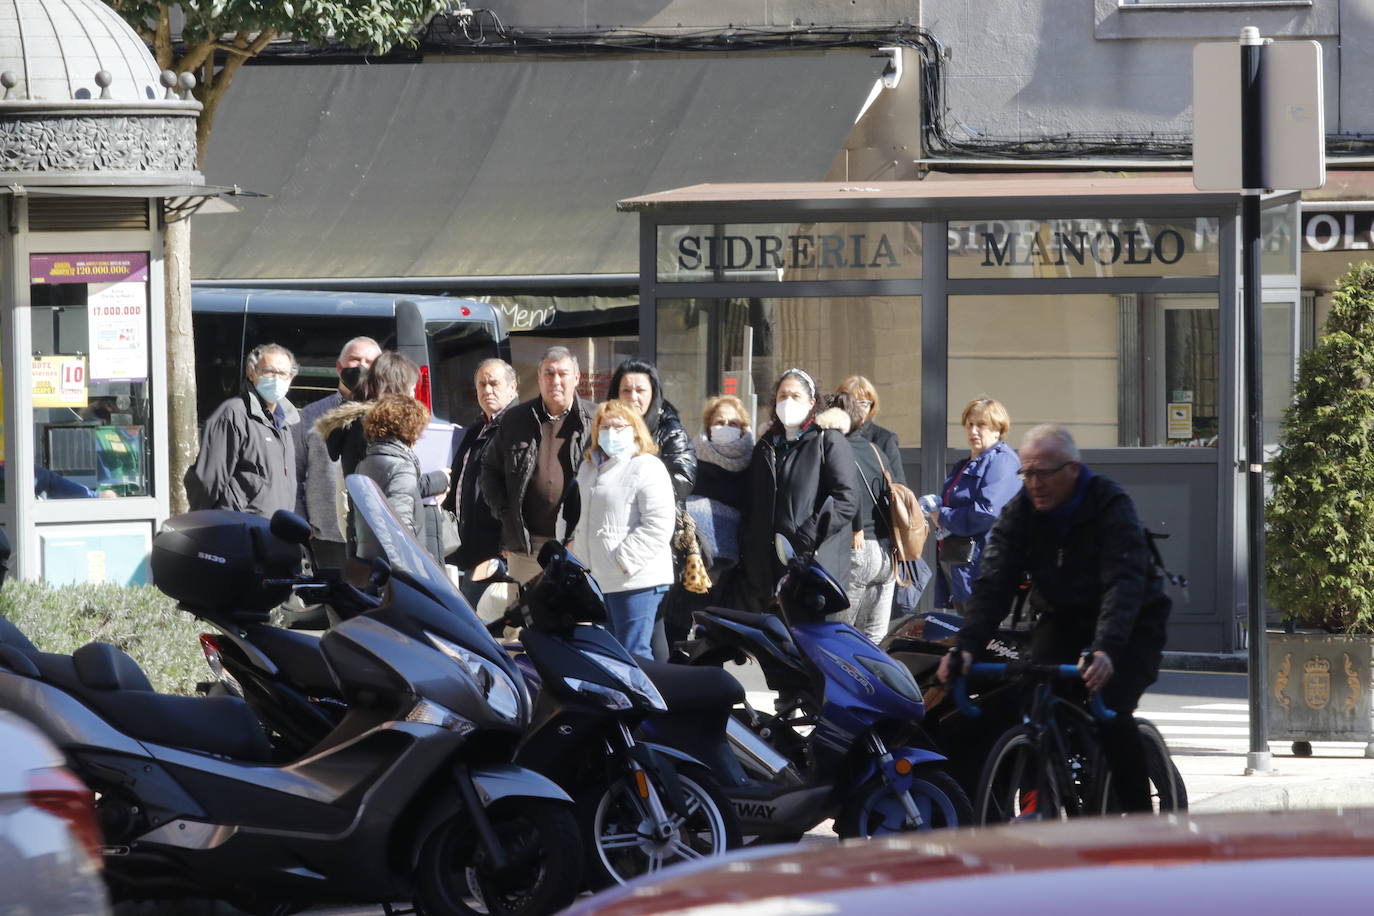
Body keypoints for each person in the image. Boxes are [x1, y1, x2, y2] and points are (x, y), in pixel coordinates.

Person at [936, 424, 1172, 813]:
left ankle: (1139, 819)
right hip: (1063, 614)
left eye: (1043, 472)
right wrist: (966, 647)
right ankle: (1045, 784)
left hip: (1132, 620)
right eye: (1026, 473)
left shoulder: (1109, 503)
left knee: (1111, 710)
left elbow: (1123, 583)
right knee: (1035, 693)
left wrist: (1106, 649)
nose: (1034, 483)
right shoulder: (1022, 512)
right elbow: (994, 582)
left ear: (1073, 470)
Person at [742, 368, 860, 615]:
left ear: (812, 403)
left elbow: (846, 499)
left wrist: (807, 535)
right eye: (782, 396)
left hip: (814, 570)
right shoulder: (765, 447)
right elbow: (751, 504)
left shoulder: (827, 441)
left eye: (795, 396)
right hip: (768, 573)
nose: (787, 402)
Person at [480, 346, 596, 585]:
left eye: (563, 374)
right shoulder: (515, 420)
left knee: (577, 618)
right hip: (527, 547)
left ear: (576, 378)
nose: (555, 381)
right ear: (539, 378)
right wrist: (505, 513)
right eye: (549, 374)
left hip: (580, 544)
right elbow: (490, 470)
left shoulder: (595, 421)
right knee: (525, 616)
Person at [571, 400, 674, 659]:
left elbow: (659, 524)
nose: (611, 431)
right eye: (604, 426)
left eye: (619, 425)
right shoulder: (588, 468)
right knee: (607, 653)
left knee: (633, 653)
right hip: (598, 577)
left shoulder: (646, 466)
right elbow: (575, 513)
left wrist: (622, 560)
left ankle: (646, 700)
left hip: (634, 578)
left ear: (635, 429)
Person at [294, 336, 380, 570]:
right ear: (339, 367)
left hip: (373, 532)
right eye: (354, 360)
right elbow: (294, 470)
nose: (361, 366)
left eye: (369, 361)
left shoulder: (387, 415)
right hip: (326, 533)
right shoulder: (311, 415)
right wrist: (301, 519)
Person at [675, 395, 754, 643]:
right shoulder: (693, 457)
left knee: (714, 638)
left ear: (743, 428)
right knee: (676, 627)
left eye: (733, 422)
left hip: (734, 567)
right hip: (693, 559)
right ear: (708, 425)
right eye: (719, 421)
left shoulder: (754, 462)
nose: (725, 427)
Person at [931, 397, 1022, 614]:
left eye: (981, 425)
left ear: (998, 430)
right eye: (969, 424)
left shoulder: (1002, 461)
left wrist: (942, 516)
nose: (973, 431)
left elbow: (986, 513)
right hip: (961, 565)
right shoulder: (966, 463)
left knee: (980, 637)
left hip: (984, 568)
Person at [187, 343, 299, 517]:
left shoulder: (286, 422)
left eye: (282, 373)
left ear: (290, 378)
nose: (276, 379)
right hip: (239, 529)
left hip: (275, 531)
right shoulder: (233, 414)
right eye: (269, 371)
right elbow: (208, 480)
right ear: (251, 373)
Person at [443, 358, 520, 607]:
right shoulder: (477, 427)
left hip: (494, 548)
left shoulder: (517, 426)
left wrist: (506, 542)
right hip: (464, 543)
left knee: (478, 619)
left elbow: (517, 489)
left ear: (513, 387)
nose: (487, 390)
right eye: (481, 384)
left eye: (494, 383)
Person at [828, 390, 896, 640]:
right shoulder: (876, 450)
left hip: (858, 549)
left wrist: (856, 526)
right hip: (888, 552)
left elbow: (849, 491)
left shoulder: (837, 450)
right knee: (875, 639)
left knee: (840, 635)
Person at [353, 394, 450, 563]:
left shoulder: (365, 462)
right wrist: (418, 563)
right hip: (398, 566)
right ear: (409, 428)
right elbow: (401, 525)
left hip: (370, 560)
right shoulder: (401, 467)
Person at [605, 359, 697, 502]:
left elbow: (682, 481)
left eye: (640, 390)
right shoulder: (604, 430)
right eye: (626, 390)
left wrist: (630, 495)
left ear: (653, 393)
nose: (633, 397)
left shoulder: (671, 433)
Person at [838, 375, 906, 486]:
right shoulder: (832, 436)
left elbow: (899, 484)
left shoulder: (885, 438)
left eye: (864, 403)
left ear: (871, 406)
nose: (858, 409)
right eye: (852, 403)